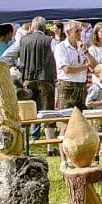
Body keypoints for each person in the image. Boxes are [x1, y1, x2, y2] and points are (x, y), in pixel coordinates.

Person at [19, 17, 57, 152]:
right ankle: (50, 147)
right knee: (48, 112)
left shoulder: (22, 40)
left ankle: (23, 145)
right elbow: (56, 57)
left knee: (26, 113)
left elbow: (7, 55)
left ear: (32, 27)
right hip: (45, 79)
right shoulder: (50, 41)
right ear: (44, 28)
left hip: (27, 80)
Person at [54, 21, 92, 110]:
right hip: (67, 86)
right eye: (77, 31)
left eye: (80, 30)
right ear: (67, 33)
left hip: (82, 85)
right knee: (66, 118)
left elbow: (93, 65)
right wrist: (85, 66)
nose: (80, 33)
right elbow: (67, 69)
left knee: (82, 119)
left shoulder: (82, 46)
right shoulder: (61, 47)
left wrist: (86, 51)